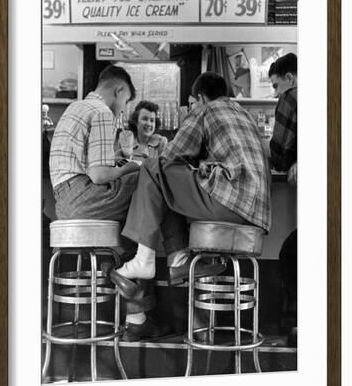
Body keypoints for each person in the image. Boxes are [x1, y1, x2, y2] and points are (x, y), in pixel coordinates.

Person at [107, 71, 272, 340]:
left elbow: (169, 158)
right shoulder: (245, 115)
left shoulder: (206, 110)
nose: (193, 107)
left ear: (200, 98)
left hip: (227, 202)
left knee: (152, 168)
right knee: (169, 187)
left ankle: (144, 259)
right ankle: (179, 259)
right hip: (256, 217)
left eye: (193, 103)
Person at [49, 65, 140, 222]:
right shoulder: (103, 112)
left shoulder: (75, 106)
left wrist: (115, 158)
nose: (124, 109)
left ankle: (133, 245)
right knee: (146, 178)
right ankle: (163, 245)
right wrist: (130, 167)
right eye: (125, 101)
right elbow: (99, 175)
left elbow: (86, 164)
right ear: (119, 91)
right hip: (83, 200)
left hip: (63, 202)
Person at [268, 52, 298, 345]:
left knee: (291, 253)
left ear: (289, 78)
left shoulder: (291, 98)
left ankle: (300, 325)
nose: (275, 93)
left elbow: (278, 153)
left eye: (276, 85)